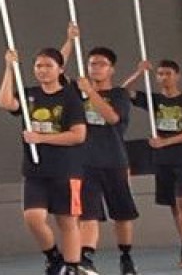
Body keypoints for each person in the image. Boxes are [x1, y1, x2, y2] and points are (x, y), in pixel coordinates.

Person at [0, 47, 86, 275]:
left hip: (66, 169)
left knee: (67, 222)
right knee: (33, 218)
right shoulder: (30, 95)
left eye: (48, 66)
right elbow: (5, 102)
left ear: (60, 69)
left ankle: (73, 266)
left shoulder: (70, 98)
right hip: (35, 171)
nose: (43, 70)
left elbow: (78, 135)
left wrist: (42, 138)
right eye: (38, 66)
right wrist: (8, 68)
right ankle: (53, 257)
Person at [60, 26, 139, 275]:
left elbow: (112, 117)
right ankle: (87, 256)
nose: (96, 68)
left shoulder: (119, 94)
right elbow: (58, 67)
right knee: (88, 213)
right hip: (84, 162)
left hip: (114, 160)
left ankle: (126, 256)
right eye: (92, 64)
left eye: (101, 64)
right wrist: (70, 41)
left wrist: (90, 91)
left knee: (122, 213)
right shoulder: (76, 90)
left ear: (111, 69)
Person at [123, 59, 182, 269]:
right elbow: (123, 92)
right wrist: (139, 72)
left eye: (168, 73)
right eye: (160, 74)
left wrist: (165, 141)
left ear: (177, 76)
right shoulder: (154, 100)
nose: (164, 77)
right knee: (174, 205)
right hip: (162, 161)